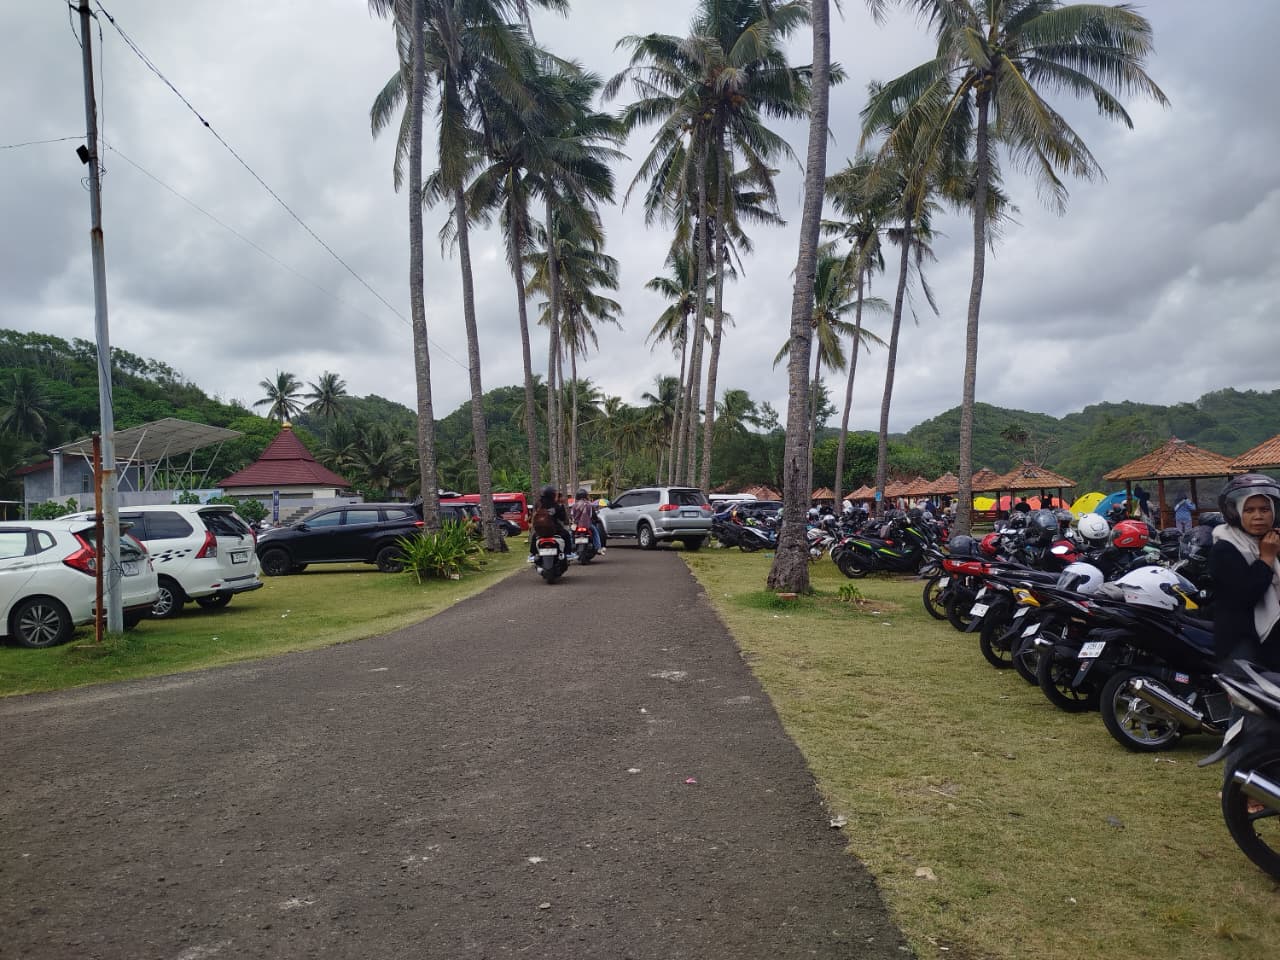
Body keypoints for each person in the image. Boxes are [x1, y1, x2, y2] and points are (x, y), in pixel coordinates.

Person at [1208, 473, 1280, 670]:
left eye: (1264, 509)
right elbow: (1244, 596)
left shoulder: (1271, 541)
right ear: (1237, 513)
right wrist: (1266, 558)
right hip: (1242, 640)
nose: (1258, 516)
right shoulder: (1225, 548)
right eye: (1249, 510)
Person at [528, 484, 577, 561]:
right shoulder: (556, 505)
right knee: (567, 535)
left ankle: (532, 554)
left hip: (541, 530)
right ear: (552, 494)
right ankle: (568, 553)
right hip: (554, 530)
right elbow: (562, 517)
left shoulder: (538, 504)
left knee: (534, 536)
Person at [570, 487, 604, 555]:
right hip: (587, 525)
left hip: (576, 525)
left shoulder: (574, 505)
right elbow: (592, 515)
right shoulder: (589, 505)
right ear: (585, 496)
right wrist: (596, 520)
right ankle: (598, 548)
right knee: (595, 533)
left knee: (571, 534)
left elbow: (572, 515)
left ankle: (570, 549)